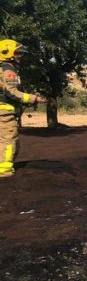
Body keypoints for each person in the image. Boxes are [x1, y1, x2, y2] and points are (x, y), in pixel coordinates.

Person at [0, 39, 45, 178]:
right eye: (18, 53)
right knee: (8, 139)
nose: (21, 56)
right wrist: (34, 98)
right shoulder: (8, 70)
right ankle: (4, 169)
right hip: (4, 111)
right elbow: (11, 92)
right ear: (7, 53)